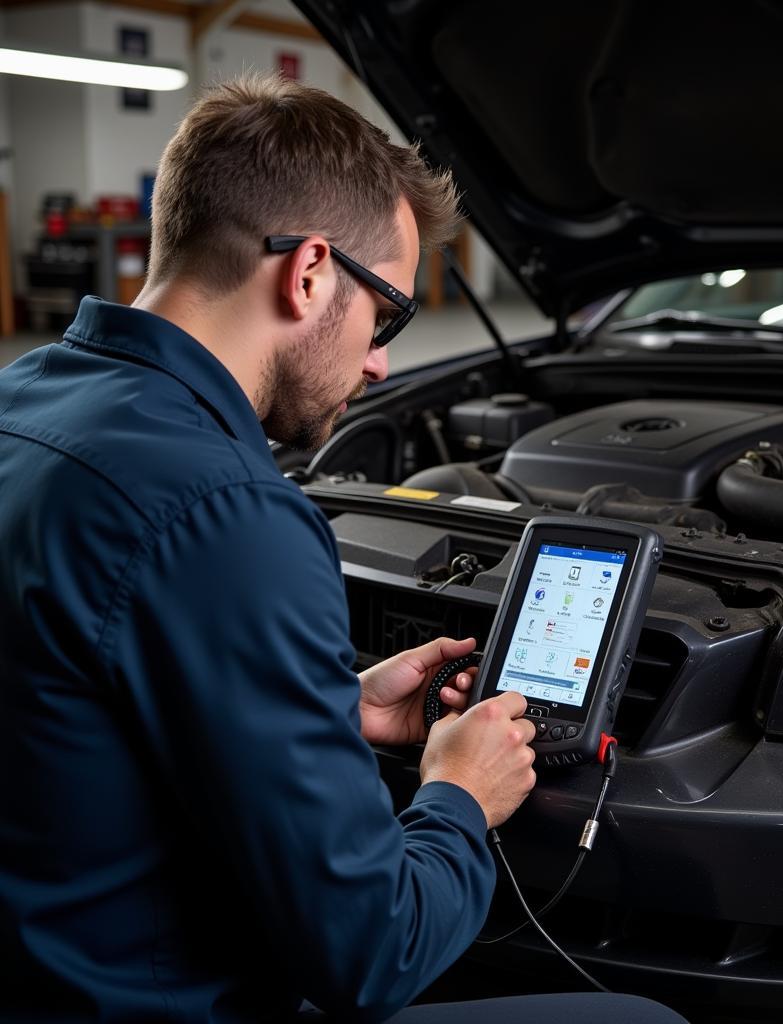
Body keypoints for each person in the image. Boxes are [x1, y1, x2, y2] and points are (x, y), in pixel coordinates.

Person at [0, 74, 688, 1024]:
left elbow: (77, 699)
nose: (381, 363)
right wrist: (458, 794)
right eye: (389, 315)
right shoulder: (230, 515)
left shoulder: (24, 400)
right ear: (310, 271)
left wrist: (329, 705)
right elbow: (373, 953)